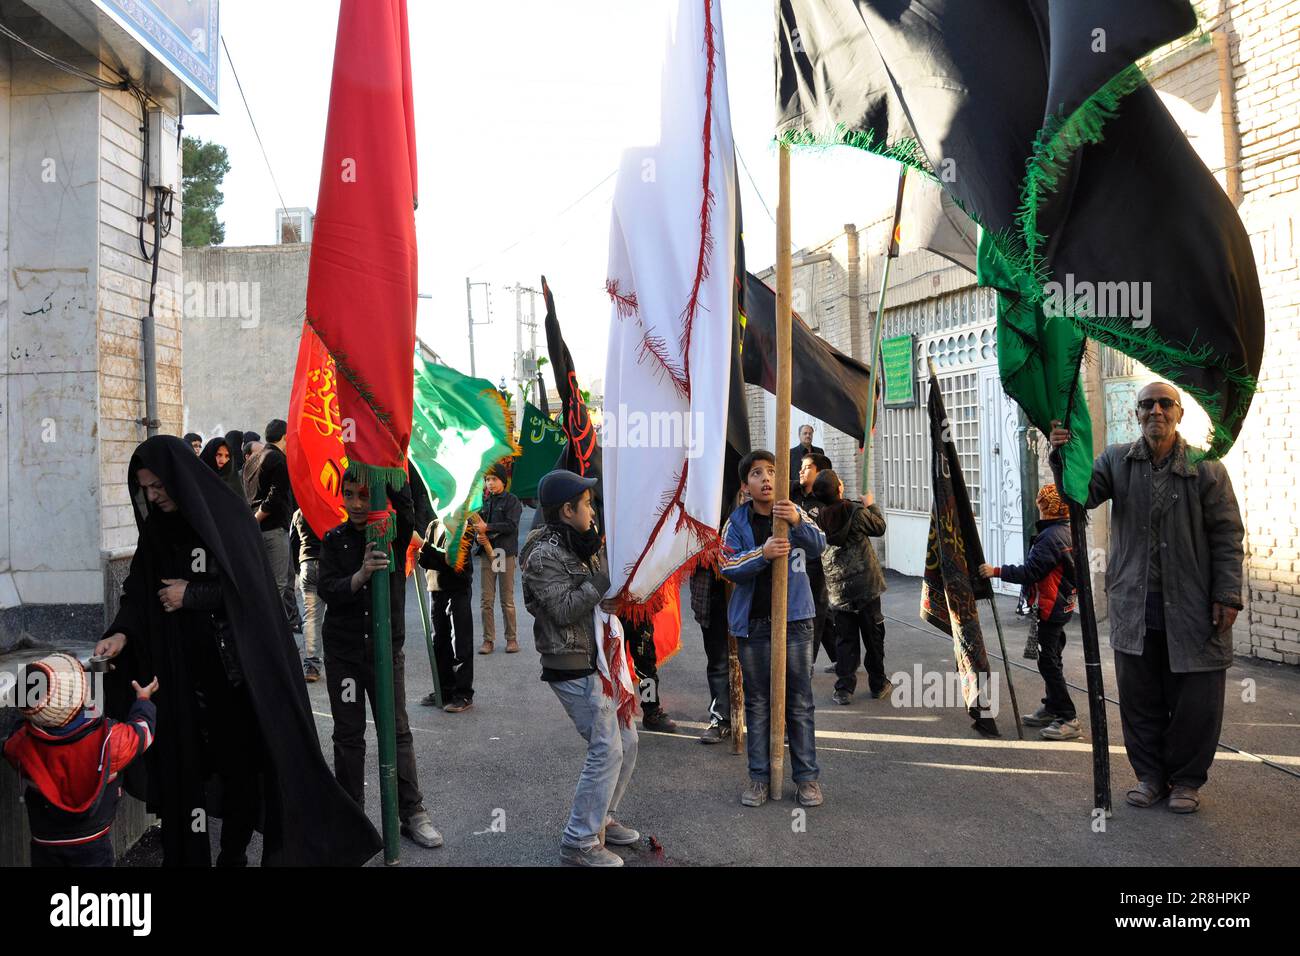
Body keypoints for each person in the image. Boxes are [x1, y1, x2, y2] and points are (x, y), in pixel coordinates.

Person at [94, 436, 381, 865]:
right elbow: (138, 591)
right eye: (145, 489)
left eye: (158, 486)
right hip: (178, 676)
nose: (153, 496)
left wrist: (192, 595)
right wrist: (120, 633)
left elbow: (251, 591)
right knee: (182, 769)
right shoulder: (157, 529)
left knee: (241, 769)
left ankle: (232, 855)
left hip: (233, 675)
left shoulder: (224, 516)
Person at [1049, 381, 1244, 814]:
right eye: (1147, 405)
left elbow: (1228, 535)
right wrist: (1061, 455)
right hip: (1135, 605)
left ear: (1178, 413)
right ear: (1136, 415)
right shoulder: (1117, 460)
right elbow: (1079, 496)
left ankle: (1187, 781)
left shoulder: (1206, 467)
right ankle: (1151, 776)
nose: (1156, 411)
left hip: (1192, 606)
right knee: (1140, 698)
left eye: (1164, 404)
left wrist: (1228, 594)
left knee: (1196, 699)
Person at [520, 470, 640, 867]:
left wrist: (610, 597)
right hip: (570, 662)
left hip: (601, 658)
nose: (593, 510)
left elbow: (594, 600)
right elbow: (564, 608)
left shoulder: (582, 541)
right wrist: (603, 582)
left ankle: (601, 816)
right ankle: (579, 840)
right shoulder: (542, 554)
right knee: (606, 749)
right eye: (586, 504)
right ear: (567, 510)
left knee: (628, 741)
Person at [317, 472, 443, 848]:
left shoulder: (392, 533)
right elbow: (328, 589)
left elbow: (406, 506)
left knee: (397, 730)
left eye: (364, 495)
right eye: (350, 495)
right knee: (349, 735)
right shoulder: (334, 539)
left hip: (385, 652)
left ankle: (413, 813)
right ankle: (352, 817)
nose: (357, 504)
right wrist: (359, 576)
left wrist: (387, 460)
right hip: (345, 654)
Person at [720, 450, 827, 809]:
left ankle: (807, 779)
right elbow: (727, 564)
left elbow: (819, 546)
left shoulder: (796, 512)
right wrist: (762, 553)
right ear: (745, 485)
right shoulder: (735, 523)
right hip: (753, 626)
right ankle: (759, 779)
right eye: (756, 473)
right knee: (759, 703)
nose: (766, 479)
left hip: (795, 621)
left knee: (799, 702)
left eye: (772, 471)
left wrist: (796, 519)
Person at [3, 653, 157, 866]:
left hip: (44, 842)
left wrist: (27, 718)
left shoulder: (21, 745)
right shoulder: (109, 740)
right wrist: (143, 701)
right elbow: (142, 732)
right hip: (93, 842)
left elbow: (12, 741)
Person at [979, 484, 1079, 740]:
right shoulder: (1066, 531)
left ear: (1047, 508)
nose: (1039, 508)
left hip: (1050, 608)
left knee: (1048, 662)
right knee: (1052, 658)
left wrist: (997, 571)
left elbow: (1031, 571)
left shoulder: (1052, 537)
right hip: (1060, 605)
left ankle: (1068, 718)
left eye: (1041, 504)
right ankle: (1052, 707)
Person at [812, 470, 891, 705]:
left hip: (838, 591)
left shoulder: (817, 520)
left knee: (845, 640)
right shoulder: (855, 512)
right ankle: (878, 684)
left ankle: (844, 688)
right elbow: (879, 527)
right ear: (839, 489)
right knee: (873, 636)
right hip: (866, 586)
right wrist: (872, 505)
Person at [418, 514, 477, 713]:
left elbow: (454, 563)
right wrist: (428, 552)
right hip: (435, 590)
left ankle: (463, 693)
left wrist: (425, 547)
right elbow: (424, 560)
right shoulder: (434, 525)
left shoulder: (464, 527)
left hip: (457, 591)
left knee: (459, 642)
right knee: (439, 642)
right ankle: (443, 689)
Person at [246, 419, 299, 632]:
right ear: (285, 437)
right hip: (273, 529)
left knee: (279, 581)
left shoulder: (254, 459)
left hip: (259, 529)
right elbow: (275, 496)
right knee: (277, 585)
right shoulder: (277, 459)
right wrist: (258, 517)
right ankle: (271, 633)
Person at [792, 452, 838, 671]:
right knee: (823, 615)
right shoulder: (793, 492)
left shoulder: (826, 502)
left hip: (818, 566)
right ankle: (843, 658)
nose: (801, 470)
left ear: (821, 473)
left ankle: (806, 663)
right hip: (794, 563)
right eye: (802, 466)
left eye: (808, 467)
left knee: (816, 612)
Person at [476, 464, 522, 654]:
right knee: (486, 600)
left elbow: (511, 526)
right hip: (487, 554)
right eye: (487, 480)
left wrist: (487, 528)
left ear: (503, 481)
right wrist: (477, 536)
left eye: (494, 479)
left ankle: (511, 639)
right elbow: (476, 526)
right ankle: (488, 640)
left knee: (506, 600)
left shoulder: (512, 501)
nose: (490, 483)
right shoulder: (484, 502)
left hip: (503, 553)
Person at [689, 565, 732, 743]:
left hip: (750, 590)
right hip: (711, 591)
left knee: (760, 663)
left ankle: (773, 719)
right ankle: (721, 719)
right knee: (718, 662)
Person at [289, 508, 325, 682]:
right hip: (330, 563)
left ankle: (311, 665)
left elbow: (293, 542)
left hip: (307, 564)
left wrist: (297, 569)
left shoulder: (299, 512)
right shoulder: (328, 505)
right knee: (337, 615)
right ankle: (337, 660)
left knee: (311, 616)